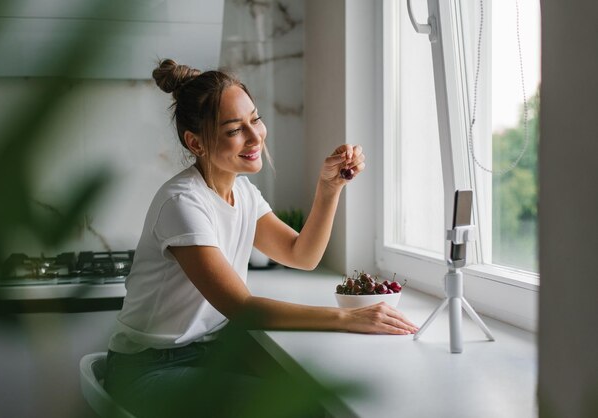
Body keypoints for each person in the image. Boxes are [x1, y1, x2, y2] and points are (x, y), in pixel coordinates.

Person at [103, 59, 418, 418]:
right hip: (150, 372)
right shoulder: (182, 203)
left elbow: (302, 255)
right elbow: (242, 308)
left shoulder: (243, 192)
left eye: (255, 119)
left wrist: (329, 188)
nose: (255, 137)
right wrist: (347, 319)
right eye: (235, 129)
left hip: (206, 357)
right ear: (196, 142)